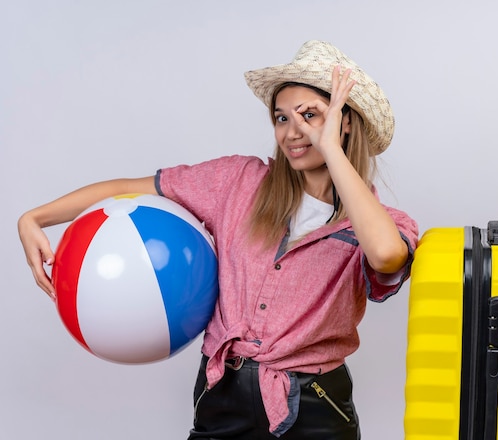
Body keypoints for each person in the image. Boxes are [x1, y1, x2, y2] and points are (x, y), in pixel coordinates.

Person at [18, 40, 418, 439]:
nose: (291, 132)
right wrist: (34, 218)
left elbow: (385, 255)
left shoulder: (383, 224)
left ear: (345, 121)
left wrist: (331, 148)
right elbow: (128, 188)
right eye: (280, 118)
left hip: (315, 404)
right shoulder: (238, 182)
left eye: (309, 115)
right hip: (223, 391)